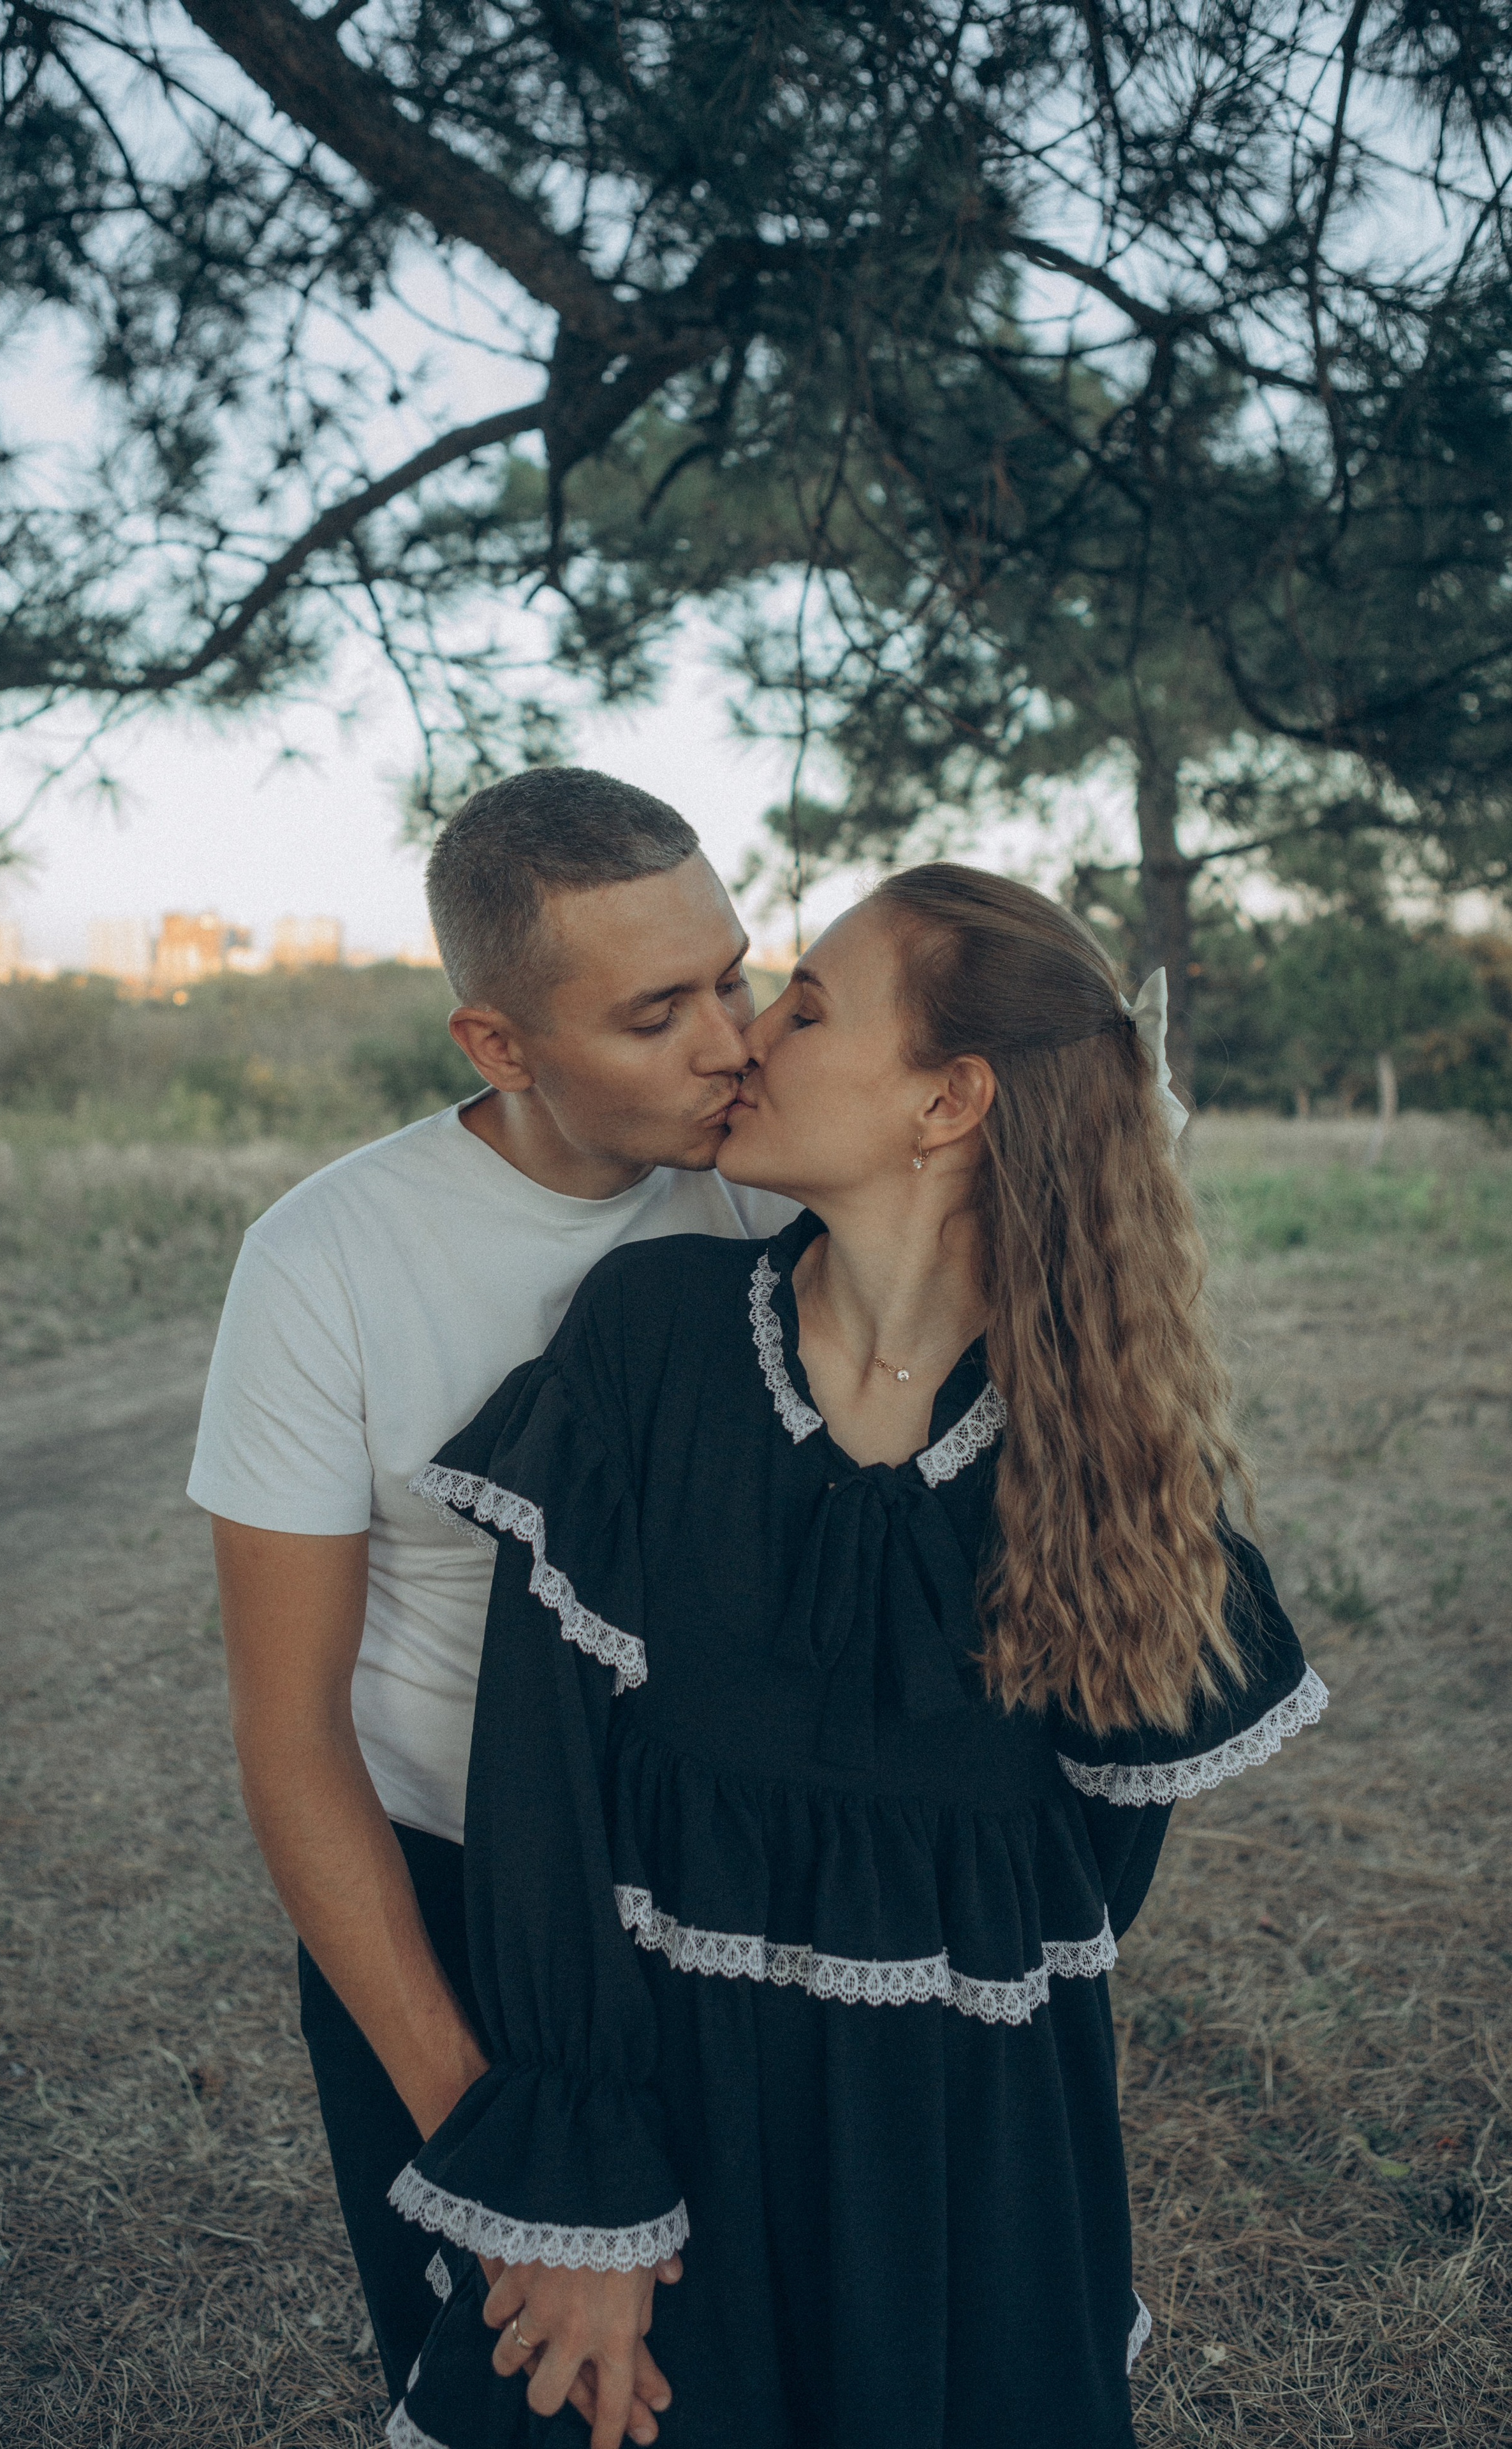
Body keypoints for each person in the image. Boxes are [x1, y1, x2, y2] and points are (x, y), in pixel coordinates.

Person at [386, 865, 1327, 2449]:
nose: (747, 1037)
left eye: (806, 1007)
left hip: (959, 2156)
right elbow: (540, 1794)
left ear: (947, 1100)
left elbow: (1090, 1873)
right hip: (668, 2125)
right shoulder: (655, 1331)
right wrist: (587, 2207)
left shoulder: (1095, 1443)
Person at [186, 769, 797, 2434]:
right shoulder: (325, 1264)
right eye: (658, 1012)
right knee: (528, 2402)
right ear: (501, 1048)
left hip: (736, 1897)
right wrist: (507, 2145)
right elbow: (294, 1735)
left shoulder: (790, 1197)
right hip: (451, 1912)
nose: (732, 1042)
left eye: (738, 977)